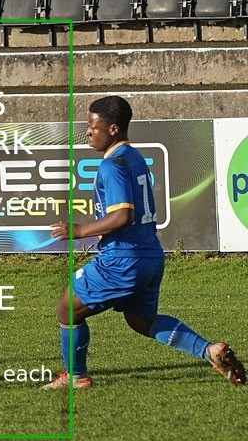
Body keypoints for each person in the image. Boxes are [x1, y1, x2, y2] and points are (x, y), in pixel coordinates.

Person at [43, 96, 245, 389]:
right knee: (141, 321)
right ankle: (209, 350)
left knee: (67, 308)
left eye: (92, 127)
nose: (87, 132)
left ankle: (76, 377)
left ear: (113, 129)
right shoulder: (134, 157)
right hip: (150, 257)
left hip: (122, 259)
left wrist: (80, 230)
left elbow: (122, 216)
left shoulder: (111, 166)